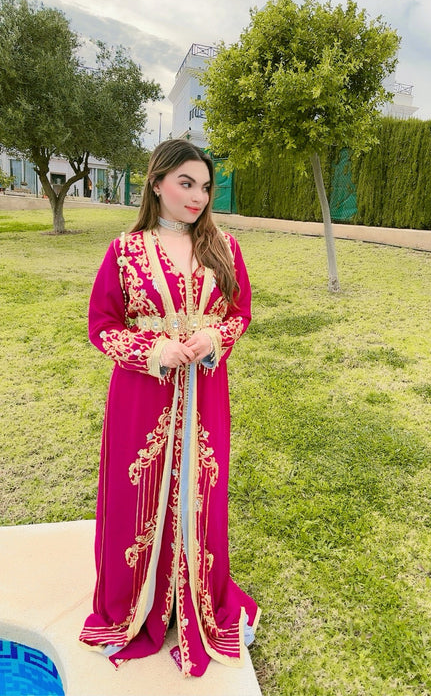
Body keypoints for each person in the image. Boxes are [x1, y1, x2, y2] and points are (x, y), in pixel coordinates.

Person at [79, 139, 260, 677]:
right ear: (156, 182)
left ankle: (193, 599)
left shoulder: (223, 247)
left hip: (205, 394)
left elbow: (239, 312)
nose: (198, 196)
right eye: (186, 183)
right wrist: (152, 349)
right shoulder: (125, 250)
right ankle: (135, 606)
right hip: (142, 394)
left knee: (198, 491)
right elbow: (101, 325)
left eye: (205, 186)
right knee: (137, 493)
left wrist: (214, 337)